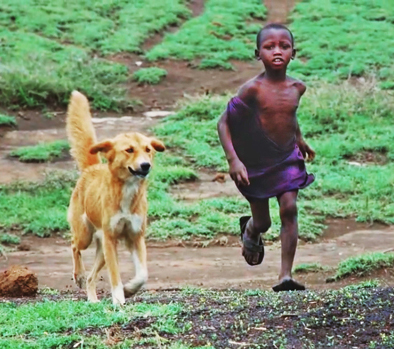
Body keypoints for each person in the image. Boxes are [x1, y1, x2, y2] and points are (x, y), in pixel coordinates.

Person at [217, 23, 315, 291]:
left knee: (289, 208)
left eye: (283, 46)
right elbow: (223, 123)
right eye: (269, 46)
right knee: (264, 222)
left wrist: (300, 139)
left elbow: (289, 115)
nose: (277, 51)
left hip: (286, 159)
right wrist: (233, 160)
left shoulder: (298, 87)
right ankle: (250, 229)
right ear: (257, 53)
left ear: (293, 52)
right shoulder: (252, 90)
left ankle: (285, 275)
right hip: (255, 164)